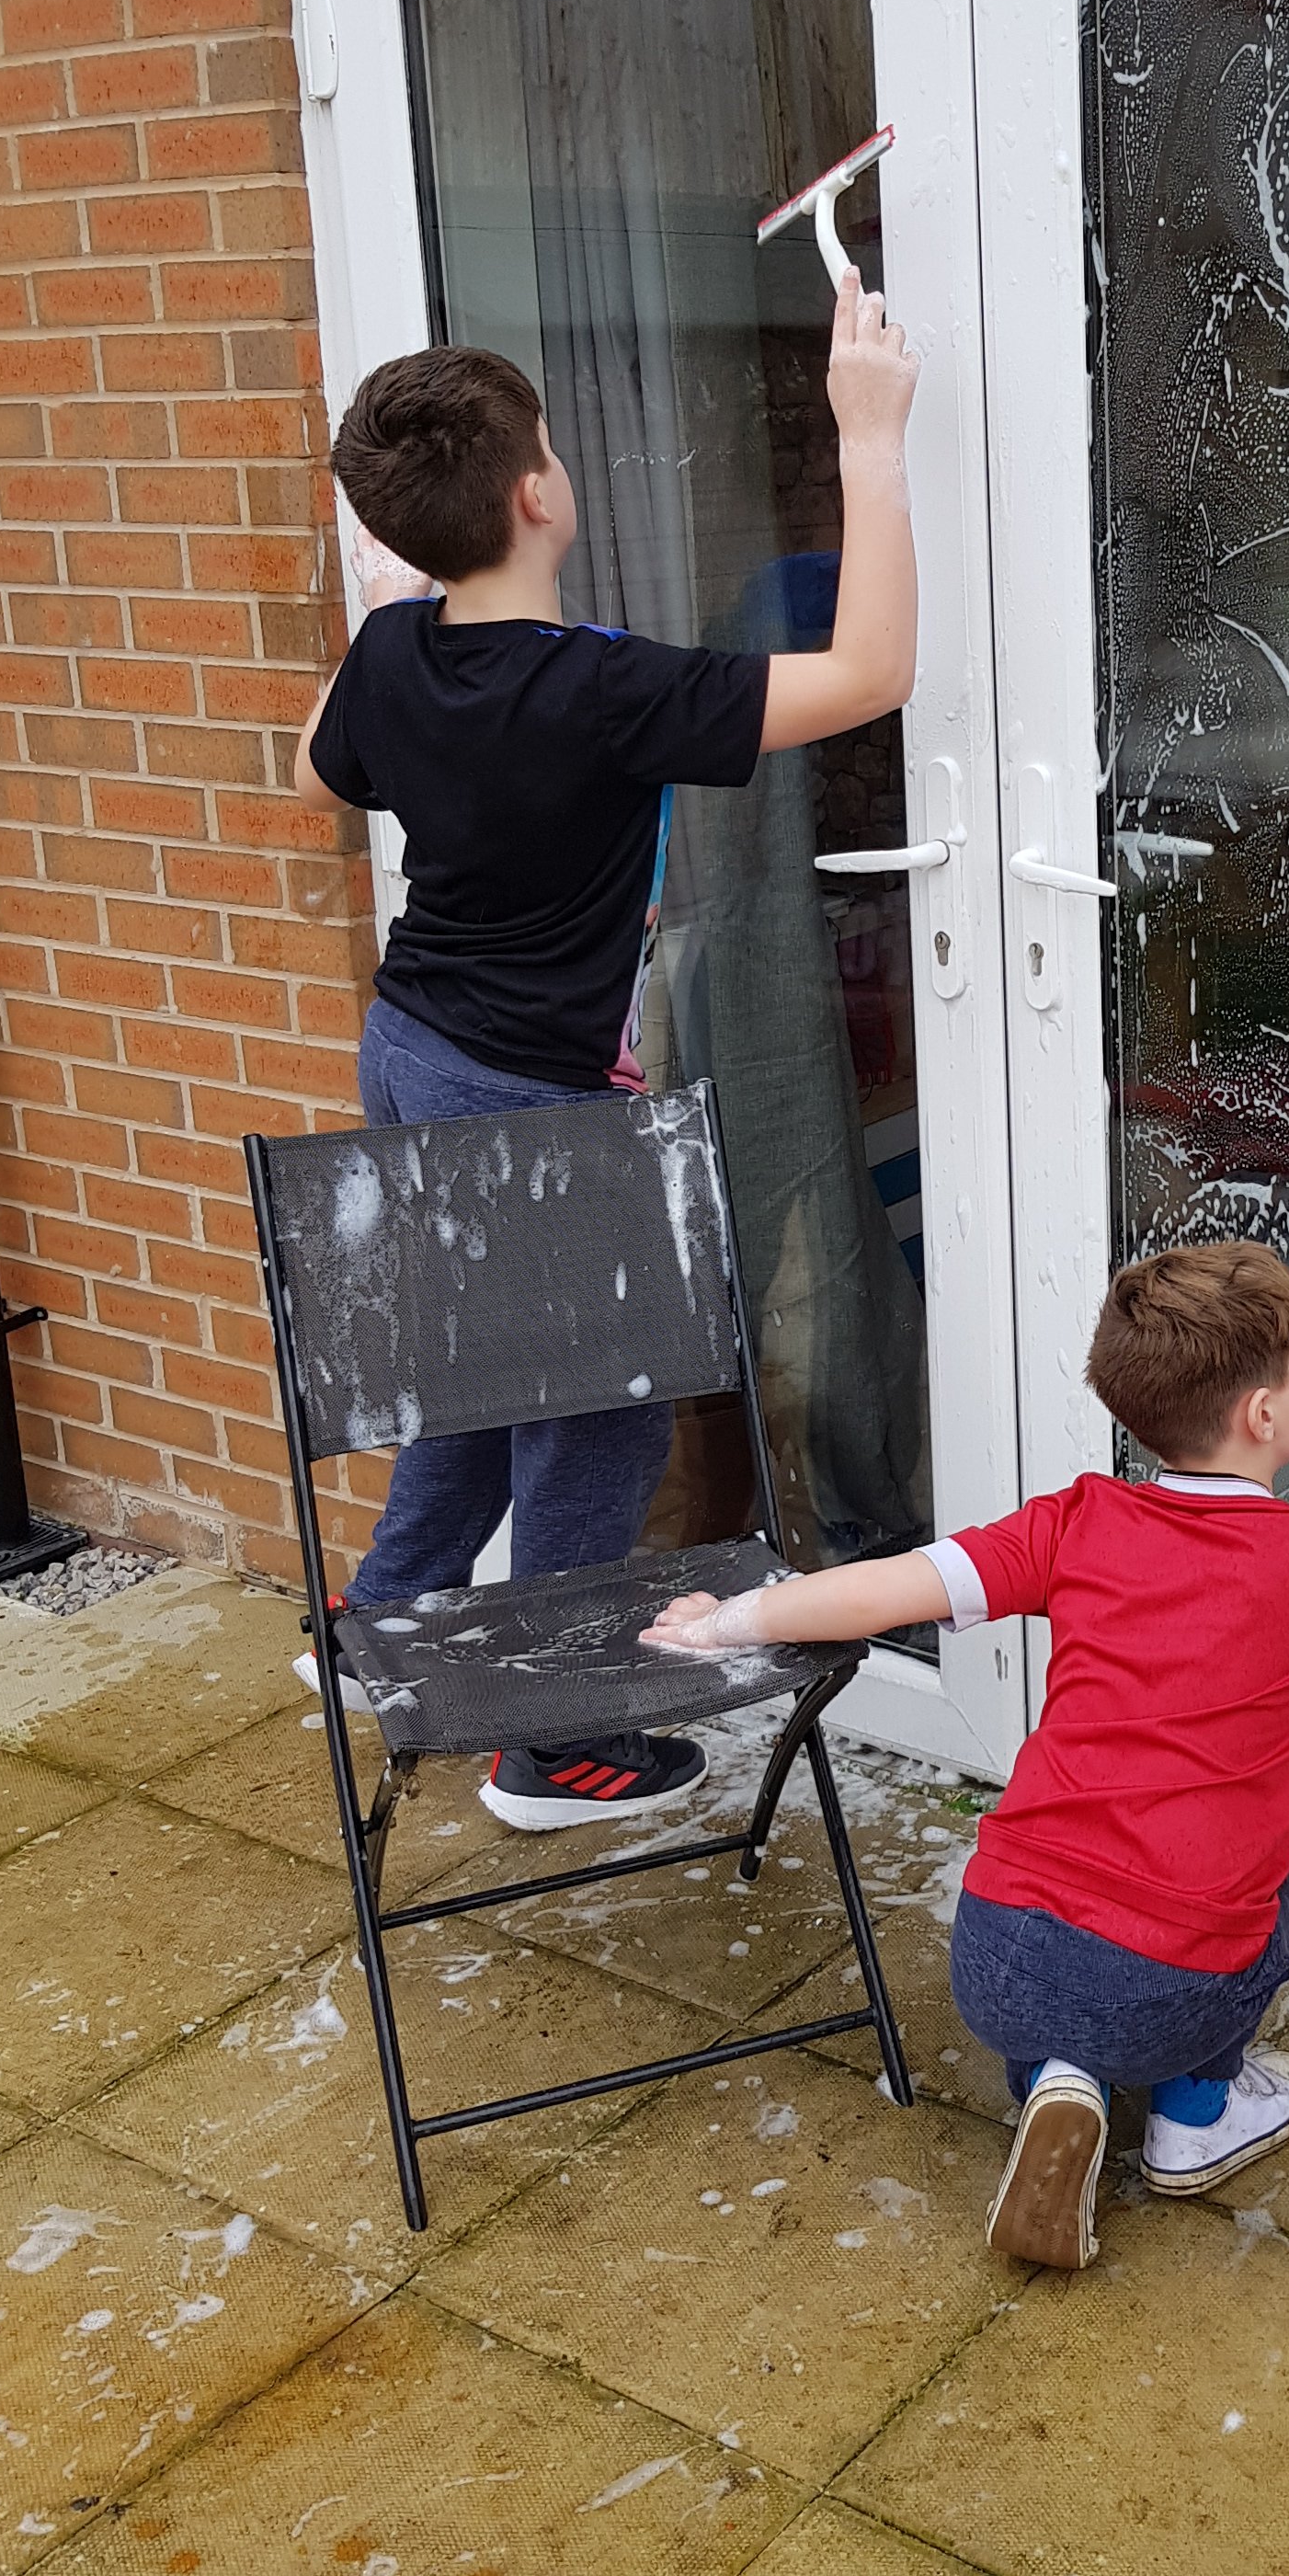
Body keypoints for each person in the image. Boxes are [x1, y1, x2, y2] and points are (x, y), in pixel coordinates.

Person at [292, 270, 919, 1831]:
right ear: (536, 495)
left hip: (410, 1046)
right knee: (600, 1407)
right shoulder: (602, 687)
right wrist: (868, 434)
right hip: (524, 1097)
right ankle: (556, 1741)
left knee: (471, 1364)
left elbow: (322, 770)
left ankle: (386, 1615)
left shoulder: (393, 653)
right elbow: (869, 676)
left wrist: (396, 613)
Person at [641, 1243, 1289, 2269]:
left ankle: (1056, 2079)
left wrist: (730, 1620)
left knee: (1084, 1952)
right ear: (1263, 1414)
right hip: (1169, 1989)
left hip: (995, 1959)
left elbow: (887, 1588)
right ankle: (1198, 2111)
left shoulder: (1081, 1521)